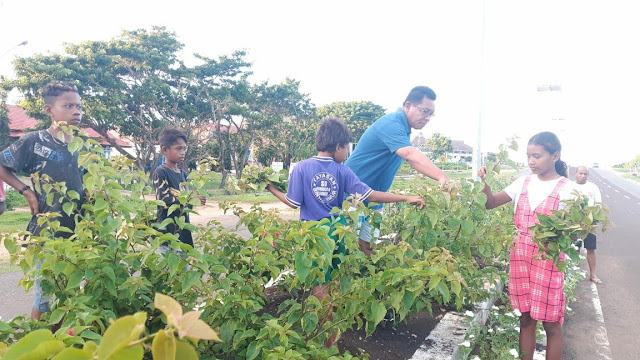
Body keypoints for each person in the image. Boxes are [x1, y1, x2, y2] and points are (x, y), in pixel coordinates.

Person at [267, 117, 425, 347]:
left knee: (318, 285)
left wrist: (271, 188)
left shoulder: (301, 167)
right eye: (347, 148)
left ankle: (320, 340)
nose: (348, 154)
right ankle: (329, 339)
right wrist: (405, 197)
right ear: (339, 146)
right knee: (333, 282)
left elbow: (292, 202)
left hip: (313, 235)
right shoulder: (343, 172)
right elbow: (370, 194)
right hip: (337, 232)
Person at [477, 132, 575, 360]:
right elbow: (490, 203)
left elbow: (577, 227)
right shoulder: (523, 182)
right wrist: (484, 184)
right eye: (529, 156)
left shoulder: (568, 189)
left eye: (537, 156)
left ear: (555, 156)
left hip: (549, 259)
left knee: (552, 323)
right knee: (526, 318)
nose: (531, 161)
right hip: (521, 257)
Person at [0, 81, 86, 320]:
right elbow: (2, 165)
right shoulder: (34, 141)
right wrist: (25, 190)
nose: (76, 111)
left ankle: (62, 348)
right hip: (47, 233)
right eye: (68, 106)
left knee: (69, 297)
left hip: (79, 232)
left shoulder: (81, 145)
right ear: (49, 110)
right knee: (45, 297)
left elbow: (87, 183)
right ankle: (40, 347)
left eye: (78, 106)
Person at [345, 86, 449, 254]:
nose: (427, 118)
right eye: (424, 111)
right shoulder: (391, 124)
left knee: (368, 247)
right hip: (351, 197)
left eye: (431, 114)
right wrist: (441, 176)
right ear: (408, 105)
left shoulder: (403, 129)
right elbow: (410, 155)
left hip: (375, 198)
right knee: (345, 249)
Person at [153, 128, 206, 248]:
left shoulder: (184, 174)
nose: (182, 152)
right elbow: (163, 201)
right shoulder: (161, 172)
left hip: (183, 233)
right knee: (167, 265)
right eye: (178, 148)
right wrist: (190, 199)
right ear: (165, 150)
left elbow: (186, 206)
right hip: (167, 234)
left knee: (184, 264)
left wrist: (194, 201)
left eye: (184, 148)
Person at [574, 166, 603, 284]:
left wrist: (592, 219)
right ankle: (574, 273)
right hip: (574, 223)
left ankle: (593, 275)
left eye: (585, 174)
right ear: (575, 174)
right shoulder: (570, 186)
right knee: (575, 248)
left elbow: (598, 205)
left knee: (591, 249)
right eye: (580, 173)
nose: (583, 176)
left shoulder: (593, 187)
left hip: (589, 224)